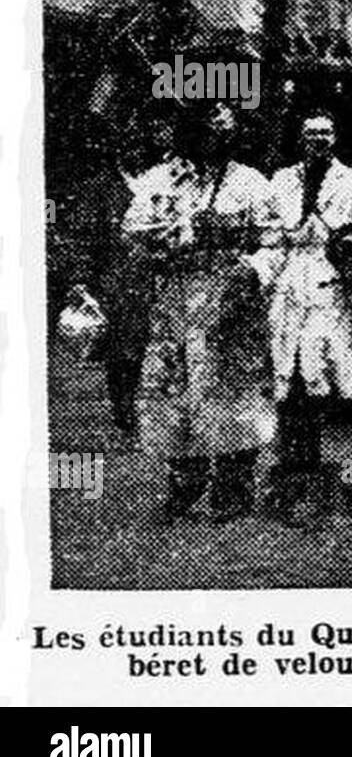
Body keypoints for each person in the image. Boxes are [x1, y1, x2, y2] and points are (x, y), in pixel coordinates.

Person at [123, 101, 277, 524]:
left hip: (234, 302)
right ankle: (185, 481)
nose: (218, 132)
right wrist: (172, 236)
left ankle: (233, 487)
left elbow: (274, 242)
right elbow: (133, 229)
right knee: (177, 393)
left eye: (228, 125)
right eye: (210, 123)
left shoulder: (252, 182)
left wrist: (249, 271)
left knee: (237, 391)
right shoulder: (164, 178)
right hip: (178, 299)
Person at [265, 110, 352, 524]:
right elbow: (271, 234)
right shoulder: (281, 181)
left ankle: (349, 481)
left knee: (340, 388)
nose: (319, 139)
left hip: (331, 291)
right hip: (286, 288)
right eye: (311, 132)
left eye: (326, 132)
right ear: (300, 137)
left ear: (336, 137)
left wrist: (348, 241)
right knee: (292, 388)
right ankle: (297, 484)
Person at [61, 108, 174, 441]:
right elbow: (81, 238)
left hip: (160, 279)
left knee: (159, 349)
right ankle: (126, 414)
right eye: (128, 145)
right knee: (123, 354)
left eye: (141, 144)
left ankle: (155, 412)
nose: (135, 151)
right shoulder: (98, 188)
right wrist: (80, 280)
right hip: (117, 281)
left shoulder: (165, 183)